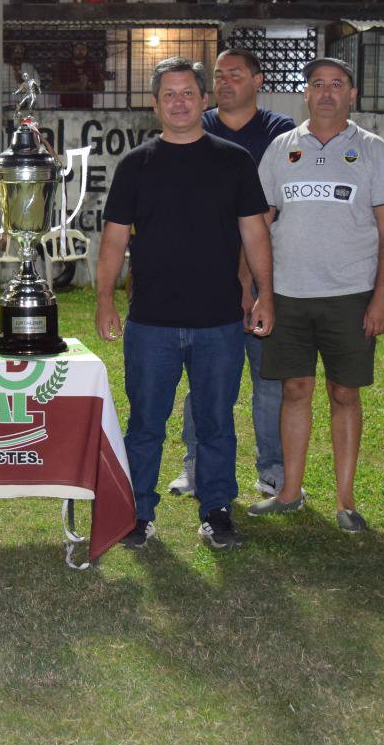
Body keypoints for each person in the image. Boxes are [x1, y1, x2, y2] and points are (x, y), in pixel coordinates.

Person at [95, 56, 274, 549]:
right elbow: (113, 239)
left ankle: (216, 510)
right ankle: (136, 512)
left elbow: (255, 234)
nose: (179, 103)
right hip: (151, 322)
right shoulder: (136, 164)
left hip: (219, 321)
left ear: (204, 100)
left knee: (216, 423)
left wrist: (265, 295)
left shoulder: (235, 161)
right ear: (155, 105)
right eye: (169, 95)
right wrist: (105, 299)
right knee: (145, 424)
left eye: (187, 93)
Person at [251, 57, 384, 532]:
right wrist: (258, 291)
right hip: (288, 293)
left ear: (352, 94)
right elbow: (258, 225)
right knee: (294, 390)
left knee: (344, 392)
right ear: (305, 93)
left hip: (351, 294)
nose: (326, 92)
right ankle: (290, 492)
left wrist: (383, 295)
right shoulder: (281, 148)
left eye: (336, 84)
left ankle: (345, 500)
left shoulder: (373, 149)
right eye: (317, 84)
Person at [168, 49, 296, 499]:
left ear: (258, 81)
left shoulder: (280, 133)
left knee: (269, 381)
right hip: (209, 275)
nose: (224, 82)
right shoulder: (196, 127)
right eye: (218, 75)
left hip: (266, 273)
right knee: (204, 381)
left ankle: (272, 469)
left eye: (235, 75)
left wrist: (253, 280)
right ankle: (196, 465)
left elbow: (274, 208)